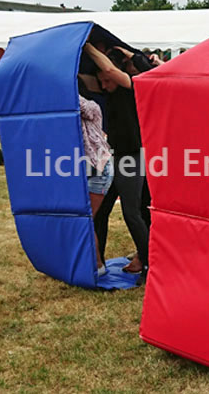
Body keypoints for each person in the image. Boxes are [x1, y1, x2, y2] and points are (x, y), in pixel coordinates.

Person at [83, 42, 150, 283]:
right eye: (101, 81)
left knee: (132, 213)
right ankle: (96, 261)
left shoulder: (132, 85)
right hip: (115, 158)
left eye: (106, 80)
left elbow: (111, 72)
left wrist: (88, 46)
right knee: (101, 212)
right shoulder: (109, 89)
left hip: (132, 157)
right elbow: (88, 79)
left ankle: (149, 264)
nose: (103, 84)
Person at [79, 94, 113, 276]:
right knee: (85, 218)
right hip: (87, 168)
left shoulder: (92, 107)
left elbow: (83, 107)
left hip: (99, 168)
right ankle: (93, 263)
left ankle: (97, 266)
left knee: (86, 219)